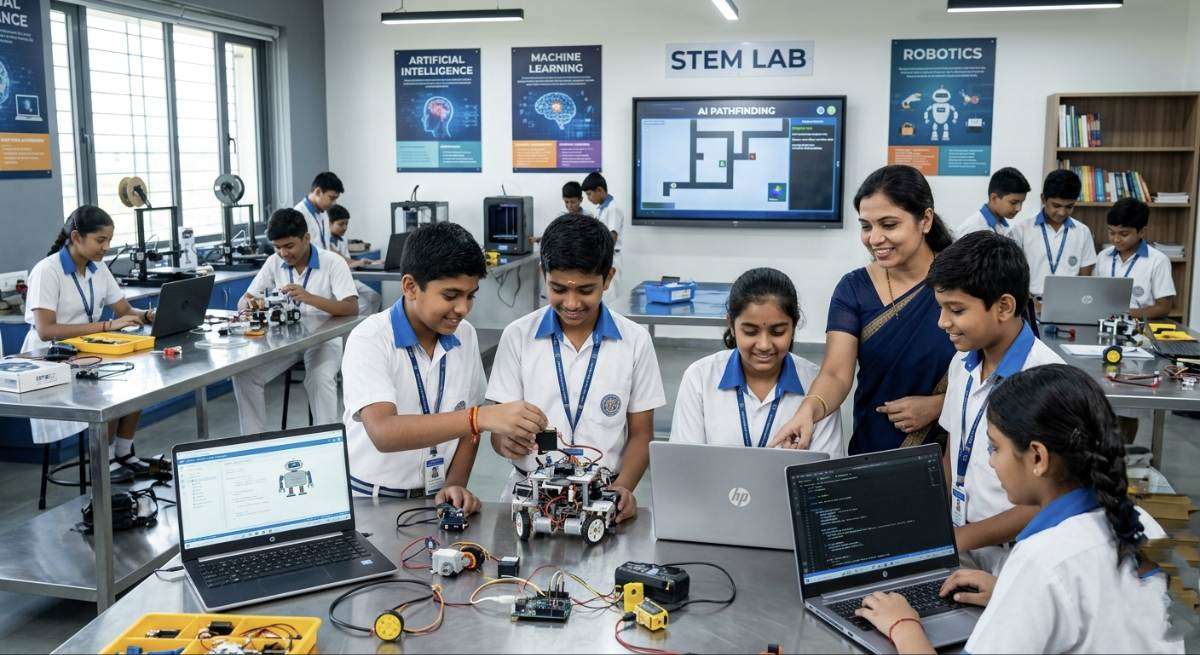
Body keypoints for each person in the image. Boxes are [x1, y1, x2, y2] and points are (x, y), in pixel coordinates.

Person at [854, 365, 1180, 654]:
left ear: (1038, 458)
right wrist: (1008, 596)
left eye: (995, 448)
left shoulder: (1042, 558)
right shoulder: (1142, 524)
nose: (992, 461)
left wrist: (904, 625)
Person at [340, 222, 547, 508]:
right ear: (411, 287)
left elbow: (468, 430)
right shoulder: (370, 339)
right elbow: (384, 432)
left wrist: (455, 485)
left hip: (435, 499)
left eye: (470, 295)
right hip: (372, 499)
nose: (463, 308)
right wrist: (479, 417)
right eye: (450, 296)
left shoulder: (465, 335)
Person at [487, 213, 665, 522]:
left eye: (585, 290)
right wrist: (505, 441)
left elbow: (641, 434)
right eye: (559, 289)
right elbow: (497, 431)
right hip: (529, 496)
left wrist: (621, 490)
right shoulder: (518, 336)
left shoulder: (635, 342)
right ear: (544, 274)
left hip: (602, 498)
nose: (571, 303)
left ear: (608, 278)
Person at [771, 165, 956, 454]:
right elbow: (835, 373)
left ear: (925, 220)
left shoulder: (961, 281)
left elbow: (999, 373)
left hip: (953, 446)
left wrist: (940, 406)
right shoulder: (854, 289)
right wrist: (807, 411)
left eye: (889, 225)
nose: (875, 238)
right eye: (866, 226)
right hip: (874, 444)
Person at [927, 231, 1064, 572]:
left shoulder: (1048, 378)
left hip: (1017, 556)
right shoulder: (961, 362)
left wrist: (961, 538)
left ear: (1004, 306)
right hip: (961, 543)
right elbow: (951, 450)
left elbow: (1051, 498)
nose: (943, 322)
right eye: (941, 308)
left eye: (956, 310)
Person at [23, 207, 157, 481]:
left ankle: (124, 452)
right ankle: (104, 460)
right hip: (49, 358)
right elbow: (47, 330)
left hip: (88, 351)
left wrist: (147, 315)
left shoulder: (98, 270)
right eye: (100, 240)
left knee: (140, 380)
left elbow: (123, 310)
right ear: (76, 237)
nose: (106, 247)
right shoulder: (46, 271)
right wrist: (106, 326)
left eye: (109, 240)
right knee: (108, 390)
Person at [670, 267, 842, 456]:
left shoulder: (819, 386)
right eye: (750, 332)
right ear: (732, 325)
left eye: (777, 332)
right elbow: (686, 463)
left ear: (794, 325)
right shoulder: (700, 378)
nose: (764, 345)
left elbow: (826, 470)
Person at [231, 208, 357, 435]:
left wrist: (310, 298)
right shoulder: (273, 262)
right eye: (277, 247)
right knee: (245, 374)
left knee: (319, 379)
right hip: (284, 341)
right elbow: (245, 300)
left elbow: (351, 307)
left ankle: (328, 443)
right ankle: (253, 443)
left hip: (323, 341)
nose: (283, 253)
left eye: (289, 246)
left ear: (306, 238)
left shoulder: (333, 263)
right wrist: (252, 304)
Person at [1012, 169, 1096, 299]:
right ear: (1043, 199)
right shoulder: (1021, 230)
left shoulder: (1083, 232)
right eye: (1056, 205)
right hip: (1030, 302)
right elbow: (1014, 276)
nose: (1062, 212)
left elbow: (1085, 279)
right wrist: (1030, 304)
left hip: (1069, 303)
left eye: (1069, 206)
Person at [1093, 198, 1175, 320]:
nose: (1116, 239)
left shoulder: (1158, 260)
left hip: (1140, 327)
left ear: (1142, 232)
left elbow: (1163, 308)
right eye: (1111, 232)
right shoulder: (1103, 256)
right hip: (1104, 323)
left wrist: (1122, 313)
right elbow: (1093, 294)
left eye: (1124, 234)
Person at [327, 203, 383, 314]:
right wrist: (358, 262)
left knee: (374, 297)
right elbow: (340, 262)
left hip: (350, 278)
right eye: (340, 224)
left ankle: (363, 324)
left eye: (346, 224)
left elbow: (347, 260)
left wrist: (374, 262)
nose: (345, 227)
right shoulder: (325, 242)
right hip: (335, 282)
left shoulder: (342, 240)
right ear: (329, 224)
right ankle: (355, 321)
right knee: (353, 307)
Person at [581, 172, 625, 302]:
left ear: (599, 190)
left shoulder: (613, 208)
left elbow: (612, 237)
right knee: (602, 297)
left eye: (589, 194)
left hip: (610, 258)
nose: (588, 198)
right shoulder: (601, 209)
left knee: (610, 299)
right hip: (602, 258)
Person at [955, 166, 1030, 239]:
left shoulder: (1001, 225)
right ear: (994, 198)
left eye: (1021, 202)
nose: (1019, 208)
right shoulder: (974, 230)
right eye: (1013, 202)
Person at [294, 171, 343, 252]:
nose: (334, 203)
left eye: (336, 199)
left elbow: (326, 246)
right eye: (331, 198)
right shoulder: (298, 214)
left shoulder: (324, 213)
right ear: (318, 192)